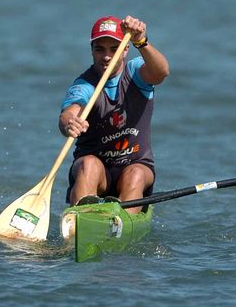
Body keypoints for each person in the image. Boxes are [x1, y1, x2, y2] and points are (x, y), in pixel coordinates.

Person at [58, 15, 169, 214]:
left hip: (135, 164)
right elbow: (69, 112)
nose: (106, 56)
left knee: (135, 174)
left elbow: (161, 72)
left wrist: (141, 42)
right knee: (88, 165)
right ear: (92, 50)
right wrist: (70, 123)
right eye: (99, 49)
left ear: (126, 49)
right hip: (94, 172)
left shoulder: (135, 73)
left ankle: (121, 224)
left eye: (113, 49)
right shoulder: (84, 85)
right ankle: (81, 223)